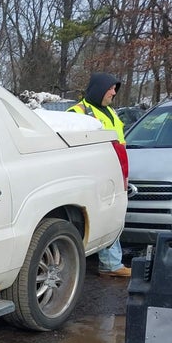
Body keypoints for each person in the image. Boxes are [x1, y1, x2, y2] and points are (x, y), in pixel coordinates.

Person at [68, 72, 131, 277]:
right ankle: (108, 264)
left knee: (111, 217)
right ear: (99, 89)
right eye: (111, 88)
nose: (114, 92)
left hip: (112, 172)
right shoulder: (78, 112)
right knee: (95, 218)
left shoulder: (109, 112)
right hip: (94, 175)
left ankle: (110, 263)